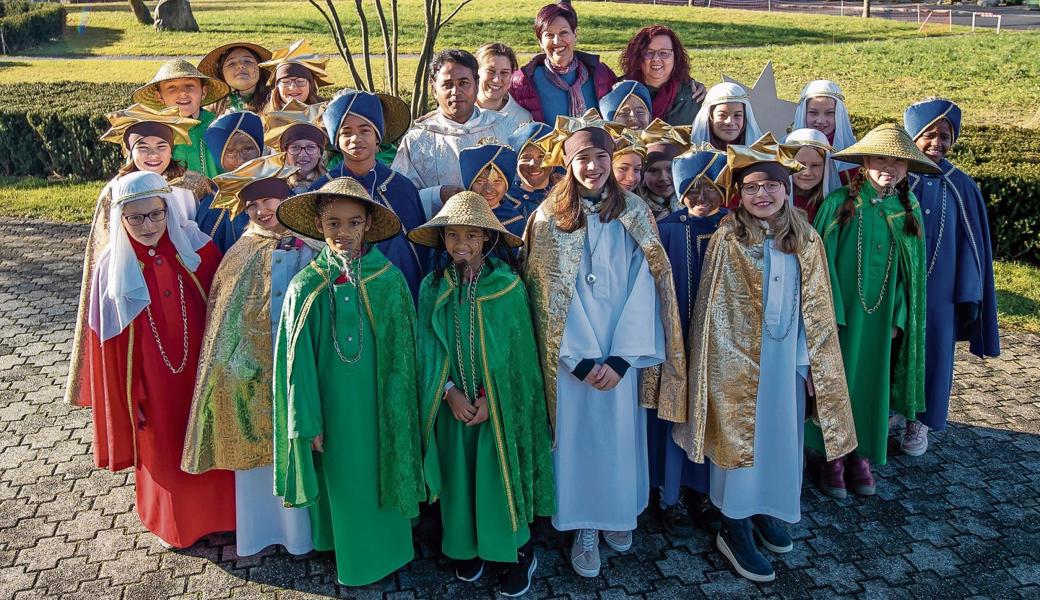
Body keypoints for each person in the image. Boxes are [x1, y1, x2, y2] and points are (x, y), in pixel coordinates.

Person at [672, 133, 856, 582]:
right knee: (740, 441)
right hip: (734, 365)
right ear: (739, 194)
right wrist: (721, 367)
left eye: (770, 186)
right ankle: (733, 524)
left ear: (786, 188)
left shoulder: (805, 237)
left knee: (778, 439)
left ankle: (765, 509)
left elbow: (815, 306)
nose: (761, 195)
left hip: (784, 360)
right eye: (751, 187)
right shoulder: (728, 239)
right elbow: (711, 314)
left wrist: (808, 361)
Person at [523, 112, 686, 578]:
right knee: (580, 439)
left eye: (601, 157)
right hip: (573, 359)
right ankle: (585, 525)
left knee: (618, 436)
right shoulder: (550, 218)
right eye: (582, 159)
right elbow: (547, 293)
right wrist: (576, 358)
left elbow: (646, 283)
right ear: (568, 164)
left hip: (620, 353)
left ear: (612, 160)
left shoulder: (634, 212)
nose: (593, 167)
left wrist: (620, 357)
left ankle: (617, 510)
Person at [272, 177, 425, 586]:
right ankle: (352, 558)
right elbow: (296, 366)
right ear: (320, 226)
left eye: (354, 223)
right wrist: (308, 422)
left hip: (383, 409)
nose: (344, 233)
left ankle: (391, 549)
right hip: (335, 413)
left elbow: (407, 352)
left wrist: (405, 408)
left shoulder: (388, 280)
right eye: (334, 223)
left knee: (382, 473)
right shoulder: (306, 286)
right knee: (345, 482)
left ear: (368, 225)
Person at [73, 170, 234, 548]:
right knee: (163, 445)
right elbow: (108, 346)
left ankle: (222, 514)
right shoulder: (111, 270)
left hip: (200, 372)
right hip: (150, 379)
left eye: (156, 214)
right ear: (120, 219)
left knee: (207, 436)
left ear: (169, 211)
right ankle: (176, 524)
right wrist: (129, 392)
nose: (148, 225)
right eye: (135, 217)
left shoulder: (200, 251)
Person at [410, 191, 555, 597]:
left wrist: (494, 401)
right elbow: (425, 347)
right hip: (452, 410)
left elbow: (521, 358)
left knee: (497, 479)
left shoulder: (507, 287)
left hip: (497, 412)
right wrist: (450, 393)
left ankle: (515, 553)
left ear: (487, 240)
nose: (461, 245)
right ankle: (466, 547)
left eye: (471, 236)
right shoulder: (431, 287)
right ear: (442, 240)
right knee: (459, 481)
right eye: (452, 236)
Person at [181, 155, 316, 557]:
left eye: (270, 201)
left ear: (286, 199)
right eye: (253, 205)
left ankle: (301, 535)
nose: (262, 210)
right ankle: (259, 530)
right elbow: (225, 318)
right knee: (257, 459)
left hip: (294, 365)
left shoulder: (309, 244)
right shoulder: (241, 250)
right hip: (251, 373)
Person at [809, 124, 932, 498]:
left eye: (898, 161)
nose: (888, 167)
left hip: (881, 323)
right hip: (840, 318)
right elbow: (819, 264)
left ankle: (861, 453)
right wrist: (830, 312)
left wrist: (898, 317)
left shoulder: (907, 211)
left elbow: (911, 277)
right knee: (836, 381)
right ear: (864, 161)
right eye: (881, 157)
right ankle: (832, 453)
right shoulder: (837, 204)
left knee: (871, 384)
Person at [64, 105, 209, 409]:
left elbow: (208, 229)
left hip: (183, 286)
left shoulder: (193, 183)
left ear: (172, 149)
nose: (153, 155)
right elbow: (105, 245)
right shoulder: (116, 190)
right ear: (129, 152)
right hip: (137, 282)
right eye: (143, 147)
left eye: (161, 147)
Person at [899, 98, 1000, 454]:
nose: (936, 143)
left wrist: (968, 291)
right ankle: (889, 412)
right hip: (895, 284)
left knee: (934, 352)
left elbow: (974, 245)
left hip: (940, 289)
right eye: (928, 134)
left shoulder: (961, 185)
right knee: (891, 347)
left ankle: (919, 422)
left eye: (944, 136)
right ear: (912, 136)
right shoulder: (894, 177)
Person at [649, 147, 727, 537]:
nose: (702, 198)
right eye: (692, 190)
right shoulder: (667, 230)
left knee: (711, 413)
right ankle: (670, 494)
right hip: (676, 341)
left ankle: (703, 491)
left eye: (711, 188)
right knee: (675, 413)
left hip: (721, 345)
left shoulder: (734, 229)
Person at [315, 90, 429, 303]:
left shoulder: (402, 188)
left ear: (378, 137)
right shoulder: (322, 189)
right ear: (336, 139)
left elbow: (419, 254)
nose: (355, 139)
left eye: (365, 130)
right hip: (341, 297)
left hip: (396, 295)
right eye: (346, 132)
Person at [393, 49, 515, 218]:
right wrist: (437, 195)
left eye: (463, 83)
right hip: (438, 235)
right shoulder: (417, 140)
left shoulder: (505, 127)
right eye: (447, 84)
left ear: (476, 83)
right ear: (434, 88)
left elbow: (523, 183)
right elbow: (399, 196)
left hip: (502, 229)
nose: (456, 91)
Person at [509, 2, 617, 125]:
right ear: (540, 41)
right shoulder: (523, 82)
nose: (557, 41)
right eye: (549, 35)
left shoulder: (601, 73)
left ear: (575, 34)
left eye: (564, 32)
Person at [132, 59, 231, 177]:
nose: (183, 93)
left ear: (203, 92)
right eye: (172, 87)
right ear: (159, 97)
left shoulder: (220, 127)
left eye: (190, 86)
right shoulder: (151, 131)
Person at [194, 111, 264, 251]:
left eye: (248, 149)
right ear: (219, 158)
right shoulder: (212, 202)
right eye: (231, 152)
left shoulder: (277, 189)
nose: (240, 159)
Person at [619, 24, 706, 126]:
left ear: (675, 57)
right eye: (648, 53)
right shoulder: (621, 91)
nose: (656, 58)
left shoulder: (692, 94)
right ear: (638, 58)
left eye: (664, 53)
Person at [459, 141, 528, 238]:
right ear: (470, 184)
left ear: (506, 185)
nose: (488, 190)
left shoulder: (518, 225)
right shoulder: (457, 217)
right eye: (481, 181)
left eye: (497, 181)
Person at [792, 80, 857, 179]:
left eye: (829, 113)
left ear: (839, 114)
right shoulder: (786, 147)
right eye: (813, 112)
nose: (821, 120)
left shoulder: (852, 153)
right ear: (803, 113)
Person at [262, 98, 329, 193]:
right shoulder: (273, 188)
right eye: (295, 148)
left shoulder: (332, 183)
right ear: (285, 153)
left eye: (310, 147)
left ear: (320, 152)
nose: (302, 154)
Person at [197, 42, 273, 115]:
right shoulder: (209, 110)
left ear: (260, 69)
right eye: (232, 63)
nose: (240, 65)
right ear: (222, 74)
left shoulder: (275, 102)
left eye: (248, 61)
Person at [637, 119, 689, 220]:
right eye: (653, 171)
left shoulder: (697, 205)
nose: (663, 178)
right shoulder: (635, 210)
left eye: (670, 169)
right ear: (642, 175)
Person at [784, 128, 840, 223]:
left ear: (825, 166)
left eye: (815, 165)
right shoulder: (776, 202)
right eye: (800, 165)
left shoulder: (833, 205)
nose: (807, 172)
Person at [260, 39, 330, 113]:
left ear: (310, 85)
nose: (292, 87)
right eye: (286, 82)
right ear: (277, 87)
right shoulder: (264, 120)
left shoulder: (327, 113)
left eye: (300, 81)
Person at [475, 43, 533, 131]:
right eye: (490, 71)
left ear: (511, 75)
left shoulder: (522, 120)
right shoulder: (458, 111)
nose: (496, 79)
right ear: (476, 71)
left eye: (504, 73)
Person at [689, 82, 763, 152]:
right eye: (722, 115)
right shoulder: (691, 156)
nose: (730, 122)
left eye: (737, 115)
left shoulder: (760, 155)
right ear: (710, 117)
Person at [506, 122, 555, 215]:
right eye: (526, 158)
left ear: (554, 161)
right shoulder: (503, 201)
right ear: (515, 163)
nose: (533, 163)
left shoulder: (565, 196)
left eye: (541, 156)